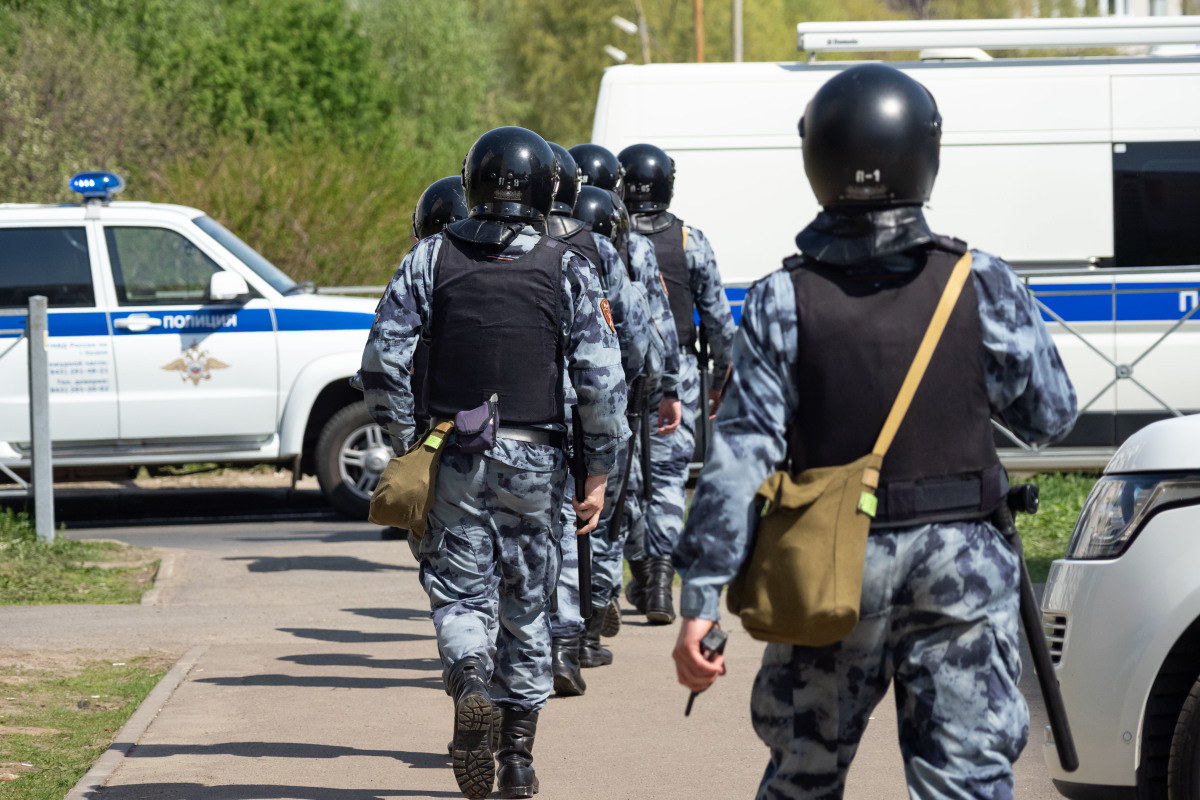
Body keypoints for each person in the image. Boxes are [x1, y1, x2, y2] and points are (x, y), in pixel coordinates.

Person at [671, 64, 1078, 800]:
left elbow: (739, 458)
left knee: (803, 778)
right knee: (967, 783)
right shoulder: (979, 280)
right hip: (962, 566)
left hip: (826, 565)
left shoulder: (782, 297)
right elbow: (1050, 416)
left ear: (818, 160)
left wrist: (700, 600)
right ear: (925, 154)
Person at [360, 126, 627, 800]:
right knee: (527, 606)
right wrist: (599, 471)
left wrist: (409, 442)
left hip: (452, 453)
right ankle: (517, 760)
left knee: (459, 593)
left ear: (472, 182)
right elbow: (602, 380)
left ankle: (472, 679)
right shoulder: (569, 265)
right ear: (546, 189)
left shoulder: (430, 257)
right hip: (537, 460)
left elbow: (383, 360)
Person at [543, 143, 651, 695]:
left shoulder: (499, 243)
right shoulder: (597, 247)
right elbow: (634, 331)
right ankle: (574, 643)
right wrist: (620, 392)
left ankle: (524, 648)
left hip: (516, 414)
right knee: (583, 522)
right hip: (585, 409)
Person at [617, 142, 735, 625]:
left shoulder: (608, 236)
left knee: (624, 478)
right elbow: (719, 321)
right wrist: (720, 379)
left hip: (620, 374)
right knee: (667, 479)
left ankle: (644, 572)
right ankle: (661, 583)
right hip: (679, 375)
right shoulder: (690, 240)